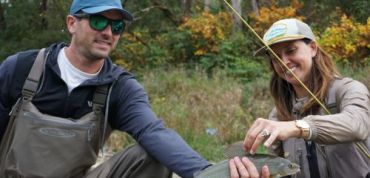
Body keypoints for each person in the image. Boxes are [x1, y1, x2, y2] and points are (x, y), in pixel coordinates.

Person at [0, 0, 211, 177]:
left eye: (117, 26)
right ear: (72, 23)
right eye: (99, 21)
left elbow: (153, 132)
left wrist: (206, 172)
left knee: (153, 156)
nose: (108, 32)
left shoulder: (120, 87)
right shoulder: (21, 68)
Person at [229, 18, 370, 178]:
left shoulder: (347, 89)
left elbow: (358, 124)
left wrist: (298, 127)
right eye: (275, 57)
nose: (283, 62)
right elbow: (281, 172)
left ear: (313, 48)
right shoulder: (278, 115)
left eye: (291, 51)